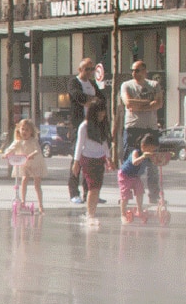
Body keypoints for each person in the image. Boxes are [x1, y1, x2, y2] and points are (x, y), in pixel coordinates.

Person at [120, 60, 163, 205]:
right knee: (129, 161)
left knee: (153, 162)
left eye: (138, 70)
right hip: (133, 128)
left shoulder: (154, 85)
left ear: (145, 71)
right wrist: (148, 104)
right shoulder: (126, 85)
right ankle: (125, 194)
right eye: (132, 70)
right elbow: (128, 103)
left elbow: (158, 103)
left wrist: (140, 106)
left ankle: (154, 195)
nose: (134, 73)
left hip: (150, 128)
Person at [72, 97, 113, 227]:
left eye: (103, 112)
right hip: (87, 159)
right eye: (99, 112)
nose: (102, 114)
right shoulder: (84, 126)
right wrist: (76, 162)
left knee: (97, 187)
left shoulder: (102, 125)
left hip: (99, 158)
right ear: (93, 112)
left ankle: (92, 213)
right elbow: (79, 144)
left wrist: (108, 158)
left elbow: (105, 142)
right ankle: (90, 215)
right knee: (92, 187)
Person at [67, 58, 100, 204]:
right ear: (80, 70)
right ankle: (74, 192)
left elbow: (101, 100)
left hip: (93, 126)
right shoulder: (74, 82)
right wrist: (91, 100)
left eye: (91, 69)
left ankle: (89, 193)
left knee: (91, 159)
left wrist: (91, 100)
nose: (89, 72)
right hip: (78, 125)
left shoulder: (93, 84)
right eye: (86, 69)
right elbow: (78, 97)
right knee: (77, 158)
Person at [3, 118, 46, 214]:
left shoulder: (33, 141)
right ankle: (23, 200)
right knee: (24, 179)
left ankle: (40, 204)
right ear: (19, 130)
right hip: (25, 163)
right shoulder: (18, 141)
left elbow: (37, 150)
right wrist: (6, 154)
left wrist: (31, 155)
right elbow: (11, 148)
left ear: (31, 131)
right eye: (23, 129)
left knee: (37, 184)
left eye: (27, 130)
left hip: (35, 163)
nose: (24, 132)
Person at [118, 133, 161, 223]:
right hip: (125, 175)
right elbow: (134, 162)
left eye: (153, 150)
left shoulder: (149, 155)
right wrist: (143, 156)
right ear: (143, 146)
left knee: (140, 191)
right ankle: (122, 214)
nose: (151, 152)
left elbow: (155, 162)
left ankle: (139, 210)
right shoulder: (136, 152)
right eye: (150, 149)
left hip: (135, 176)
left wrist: (158, 159)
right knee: (125, 195)